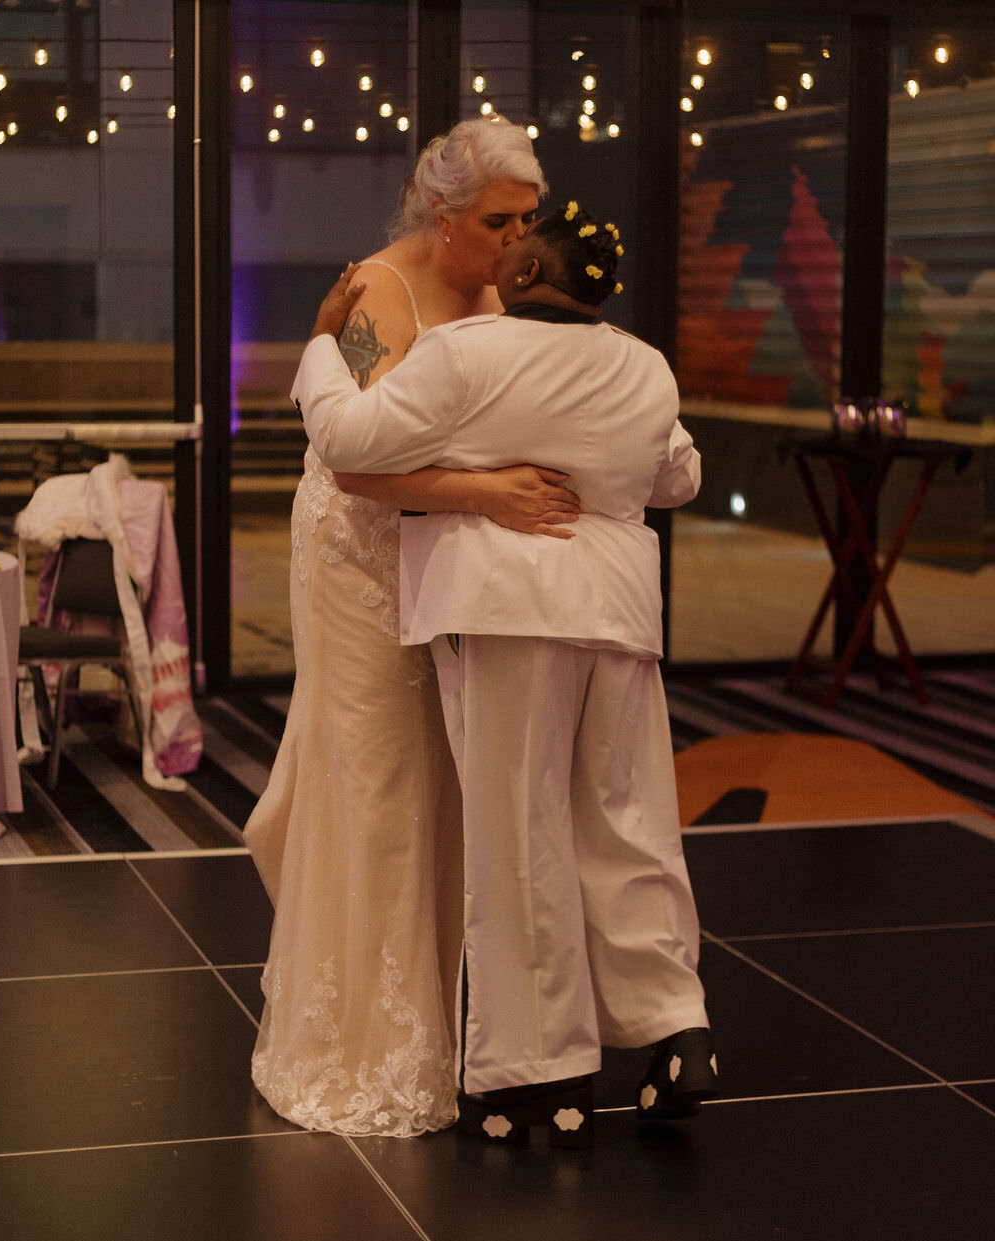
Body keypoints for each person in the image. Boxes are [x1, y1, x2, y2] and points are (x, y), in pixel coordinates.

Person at [296, 203, 718, 1148]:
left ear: (527, 272)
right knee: (628, 818)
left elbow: (351, 441)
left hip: (507, 609)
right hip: (616, 612)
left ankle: (542, 1078)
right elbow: (676, 476)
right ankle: (675, 1027)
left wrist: (325, 345)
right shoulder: (643, 364)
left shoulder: (470, 354)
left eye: (515, 241)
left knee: (519, 830)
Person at [242, 118, 577, 1139]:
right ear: (441, 213)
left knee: (444, 780)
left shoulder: (496, 288)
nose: (519, 238)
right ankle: (357, 1044)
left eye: (529, 218)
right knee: (378, 781)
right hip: (354, 553)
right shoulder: (374, 294)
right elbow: (346, 457)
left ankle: (443, 1020)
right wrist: (487, 492)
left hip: (441, 554)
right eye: (498, 220)